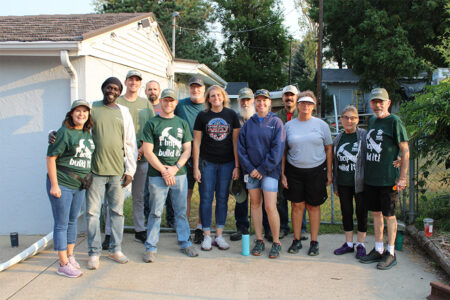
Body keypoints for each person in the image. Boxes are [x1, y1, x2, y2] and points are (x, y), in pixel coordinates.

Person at [85, 77, 137, 270]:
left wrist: (130, 170)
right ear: (103, 88)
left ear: (119, 92)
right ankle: (94, 252)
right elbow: (75, 128)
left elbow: (131, 143)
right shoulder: (91, 108)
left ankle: (115, 249)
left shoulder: (123, 112)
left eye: (116, 89)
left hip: (117, 172)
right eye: (109, 87)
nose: (112, 91)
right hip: (95, 171)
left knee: (116, 212)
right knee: (92, 213)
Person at [141, 88, 198, 262]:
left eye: (172, 100)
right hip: (157, 175)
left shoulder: (182, 123)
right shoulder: (152, 123)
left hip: (179, 174)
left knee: (180, 210)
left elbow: (187, 149)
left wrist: (175, 168)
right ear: (161, 102)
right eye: (165, 100)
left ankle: (185, 242)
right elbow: (148, 152)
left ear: (175, 103)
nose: (168, 103)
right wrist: (164, 171)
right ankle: (150, 247)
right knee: (156, 212)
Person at [359, 88, 409, 270]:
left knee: (389, 215)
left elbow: (404, 150)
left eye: (381, 101)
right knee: (376, 214)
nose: (377, 105)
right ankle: (378, 249)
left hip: (388, 179)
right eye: (374, 102)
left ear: (388, 103)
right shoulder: (372, 120)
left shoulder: (394, 122)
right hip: (372, 178)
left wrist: (402, 177)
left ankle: (391, 252)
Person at [46, 100, 94, 278]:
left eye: (85, 112)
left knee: (73, 220)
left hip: (79, 185)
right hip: (63, 184)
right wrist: (54, 185)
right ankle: (63, 263)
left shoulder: (87, 134)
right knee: (61, 223)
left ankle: (70, 255)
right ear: (71, 114)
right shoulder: (63, 133)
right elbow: (50, 158)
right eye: (78, 111)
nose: (81, 114)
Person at [282, 90, 332, 256]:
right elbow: (283, 151)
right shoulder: (288, 126)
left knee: (313, 206)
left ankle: (314, 241)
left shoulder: (321, 125)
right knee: (297, 205)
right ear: (298, 105)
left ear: (314, 106)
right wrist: (283, 174)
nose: (305, 106)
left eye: (309, 103)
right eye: (302, 103)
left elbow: (328, 149)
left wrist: (329, 172)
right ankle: (296, 240)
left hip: (316, 170)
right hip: (294, 171)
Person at [238, 89, 286, 259]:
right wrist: (251, 169)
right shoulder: (248, 124)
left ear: (269, 102)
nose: (261, 103)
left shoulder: (276, 122)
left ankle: (275, 241)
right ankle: (259, 239)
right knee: (255, 205)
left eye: (264, 100)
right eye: (257, 100)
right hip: (251, 172)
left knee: (270, 206)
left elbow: (277, 150)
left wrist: (262, 169)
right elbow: (241, 149)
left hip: (269, 172)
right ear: (253, 103)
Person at [193, 85, 240, 251]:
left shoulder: (231, 115)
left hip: (227, 163)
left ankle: (219, 235)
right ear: (208, 99)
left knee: (222, 198)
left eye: (218, 95)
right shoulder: (202, 116)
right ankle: (206, 235)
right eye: (212, 96)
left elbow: (235, 142)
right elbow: (196, 142)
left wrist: (237, 165)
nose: (215, 98)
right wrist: (196, 167)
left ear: (223, 96)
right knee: (206, 198)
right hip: (207, 163)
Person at [113, 70, 155, 244]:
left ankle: (140, 229)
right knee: (115, 197)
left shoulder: (146, 104)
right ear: (126, 81)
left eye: (137, 80)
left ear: (140, 84)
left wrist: (142, 148)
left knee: (138, 196)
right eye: (130, 79)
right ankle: (112, 232)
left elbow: (152, 129)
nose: (133, 83)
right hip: (119, 158)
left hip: (141, 157)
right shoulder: (117, 102)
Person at [332, 106, 368, 259]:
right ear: (341, 119)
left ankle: (361, 244)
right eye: (346, 117)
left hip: (360, 183)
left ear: (357, 119)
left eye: (352, 117)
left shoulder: (363, 136)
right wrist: (335, 184)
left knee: (361, 212)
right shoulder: (339, 138)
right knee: (346, 212)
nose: (349, 120)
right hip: (343, 182)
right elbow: (334, 162)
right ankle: (348, 243)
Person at [174, 76, 206, 244]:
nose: (195, 90)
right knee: (185, 194)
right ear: (189, 88)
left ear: (203, 88)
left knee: (204, 194)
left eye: (198, 87)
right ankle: (184, 229)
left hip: (204, 156)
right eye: (193, 87)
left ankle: (200, 228)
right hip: (184, 155)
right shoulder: (180, 105)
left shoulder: (208, 105)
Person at [275, 85, 308, 241]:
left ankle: (301, 228)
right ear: (283, 98)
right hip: (280, 161)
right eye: (286, 95)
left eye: (292, 95)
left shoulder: (302, 114)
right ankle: (283, 226)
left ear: (297, 97)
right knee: (280, 196)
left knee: (299, 196)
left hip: (297, 160)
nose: (289, 98)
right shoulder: (276, 117)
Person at [144, 80, 175, 228]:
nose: (152, 92)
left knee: (169, 193)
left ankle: (170, 220)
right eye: (149, 89)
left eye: (155, 89)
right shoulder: (143, 108)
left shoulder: (167, 107)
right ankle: (148, 220)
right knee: (148, 192)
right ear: (145, 92)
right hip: (149, 154)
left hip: (167, 155)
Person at [230, 87, 254, 241]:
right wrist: (236, 166)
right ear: (238, 101)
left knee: (261, 199)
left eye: (248, 99)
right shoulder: (233, 118)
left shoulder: (258, 118)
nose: (245, 102)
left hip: (257, 167)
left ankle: (265, 228)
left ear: (252, 101)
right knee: (241, 198)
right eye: (242, 99)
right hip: (239, 165)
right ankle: (242, 228)